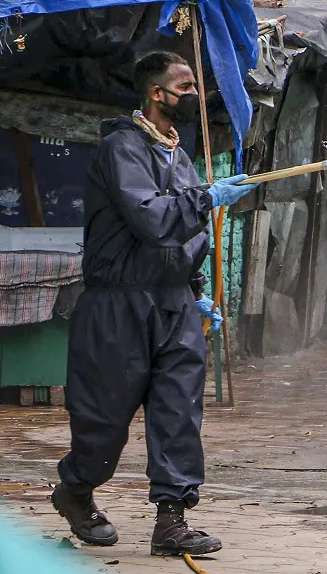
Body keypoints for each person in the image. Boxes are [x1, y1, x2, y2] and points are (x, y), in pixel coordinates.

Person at [51, 51, 258, 557]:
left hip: (173, 306)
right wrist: (206, 198)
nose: (193, 96)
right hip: (117, 306)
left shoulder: (178, 153)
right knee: (103, 419)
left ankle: (171, 521)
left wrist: (194, 293)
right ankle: (76, 490)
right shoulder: (123, 148)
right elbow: (152, 220)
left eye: (194, 86)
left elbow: (184, 239)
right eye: (184, 87)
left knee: (178, 414)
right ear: (155, 94)